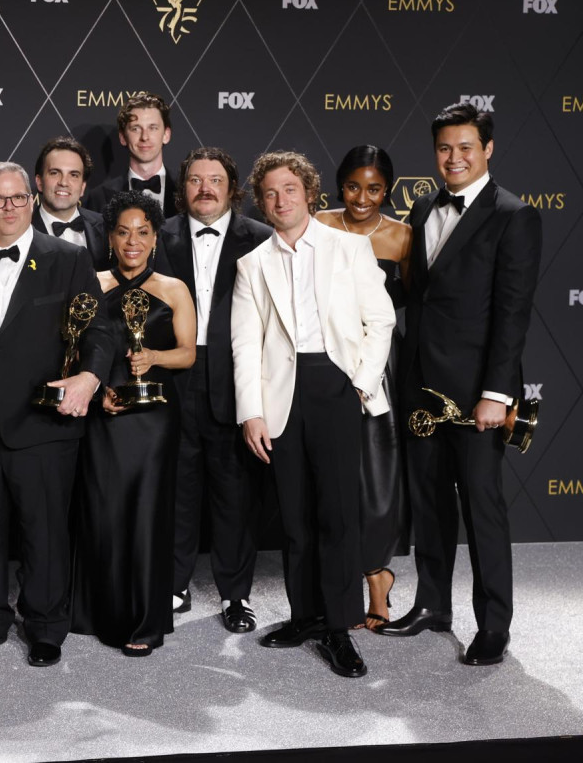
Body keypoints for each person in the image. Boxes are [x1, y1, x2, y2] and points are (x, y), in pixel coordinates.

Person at [378, 103, 541, 667]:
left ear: (488, 149)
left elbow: (513, 312)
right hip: (422, 385)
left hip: (477, 394)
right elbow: (417, 294)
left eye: (466, 147)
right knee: (428, 503)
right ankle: (432, 605)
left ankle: (495, 625)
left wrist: (497, 393)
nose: (454, 158)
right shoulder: (423, 206)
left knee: (482, 507)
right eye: (445, 148)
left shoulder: (513, 215)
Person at [0, 161, 113, 668]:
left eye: (16, 199)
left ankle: (46, 627)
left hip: (42, 421)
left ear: (31, 201)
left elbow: (100, 331)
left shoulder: (68, 258)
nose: (7, 208)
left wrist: (90, 378)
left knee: (45, 531)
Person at [232, 151, 394, 678]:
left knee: (338, 514)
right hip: (280, 393)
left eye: (290, 190)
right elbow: (244, 345)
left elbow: (381, 321)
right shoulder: (251, 264)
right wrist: (251, 412)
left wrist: (359, 386)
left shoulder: (350, 248)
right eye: (271, 193)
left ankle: (340, 626)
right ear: (263, 201)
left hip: (336, 385)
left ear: (309, 193)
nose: (281, 200)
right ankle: (305, 616)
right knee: (295, 514)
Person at [71, 190, 195, 656]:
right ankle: (96, 612)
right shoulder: (91, 283)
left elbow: (187, 352)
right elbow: (74, 344)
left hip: (153, 416)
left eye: (143, 232)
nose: (133, 241)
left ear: (155, 236)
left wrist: (154, 356)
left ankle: (145, 619)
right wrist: (96, 388)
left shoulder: (173, 288)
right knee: (101, 511)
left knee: (146, 514)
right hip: (101, 410)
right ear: (110, 236)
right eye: (123, 231)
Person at [154, 146, 272, 630]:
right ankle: (174, 585)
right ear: (182, 191)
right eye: (196, 180)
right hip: (173, 372)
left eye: (215, 180)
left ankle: (236, 595)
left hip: (236, 375)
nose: (205, 188)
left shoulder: (261, 239)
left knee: (233, 492)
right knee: (176, 489)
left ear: (232, 189)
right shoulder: (156, 235)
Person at [316, 145, 412, 630]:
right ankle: (336, 581)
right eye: (354, 186)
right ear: (340, 185)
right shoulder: (319, 224)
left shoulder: (401, 237)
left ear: (387, 190)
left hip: (380, 365)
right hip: (325, 358)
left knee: (376, 480)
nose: (362, 197)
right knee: (332, 475)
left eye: (374, 188)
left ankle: (377, 576)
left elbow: (411, 309)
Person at [85, 92, 178, 216]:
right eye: (136, 129)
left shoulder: (185, 190)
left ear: (166, 135)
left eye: (153, 128)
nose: (145, 137)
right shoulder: (100, 198)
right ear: (123, 137)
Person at [30, 135, 110, 270]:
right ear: (39, 182)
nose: (63, 182)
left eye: (73, 175)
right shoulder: (21, 230)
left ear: (83, 187)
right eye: (55, 173)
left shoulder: (107, 227)